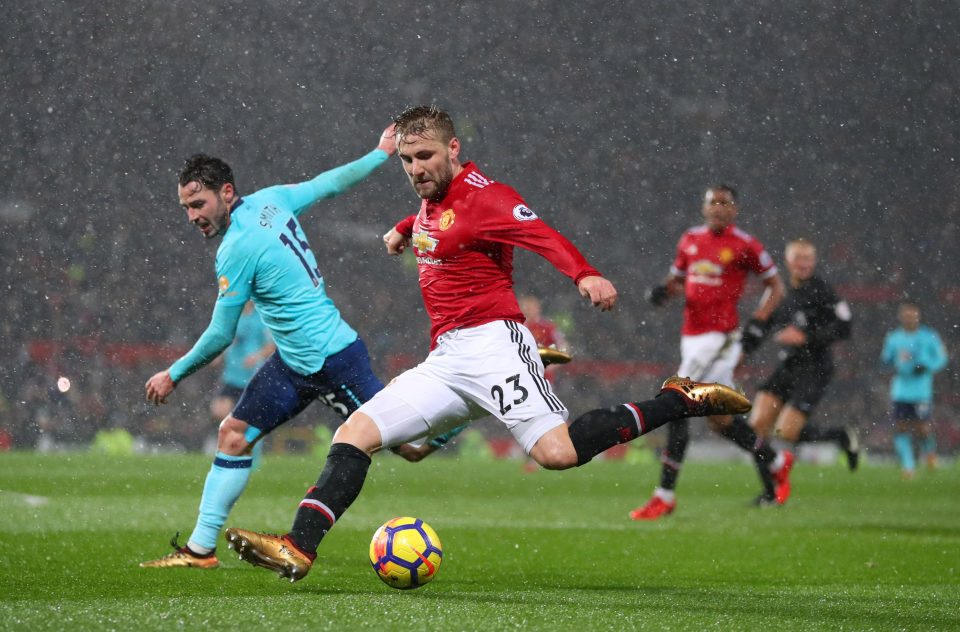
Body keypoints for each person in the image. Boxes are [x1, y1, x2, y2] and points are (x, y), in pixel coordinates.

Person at [224, 105, 750, 582]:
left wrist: (585, 275)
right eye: (406, 160)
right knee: (358, 433)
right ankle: (299, 546)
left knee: (558, 454)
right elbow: (439, 222)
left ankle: (677, 400)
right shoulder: (433, 201)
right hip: (447, 358)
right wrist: (405, 226)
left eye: (425, 156)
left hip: (495, 345)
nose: (415, 169)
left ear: (453, 150)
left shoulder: (488, 197)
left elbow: (541, 233)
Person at [140, 123, 397, 569]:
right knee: (233, 435)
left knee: (409, 444)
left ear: (226, 192)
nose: (192, 216)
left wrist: (173, 374)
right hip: (295, 363)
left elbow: (221, 333)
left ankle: (467, 393)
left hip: (333, 359)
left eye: (198, 204)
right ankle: (200, 549)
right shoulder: (272, 199)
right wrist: (379, 153)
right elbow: (328, 184)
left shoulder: (236, 247)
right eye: (185, 207)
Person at [631, 184, 786, 519]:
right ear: (703, 208)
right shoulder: (689, 240)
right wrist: (663, 292)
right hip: (692, 336)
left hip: (720, 337)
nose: (717, 208)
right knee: (719, 420)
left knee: (674, 401)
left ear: (734, 209)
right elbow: (676, 280)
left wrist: (759, 320)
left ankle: (665, 495)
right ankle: (774, 460)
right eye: (712, 202)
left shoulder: (745, 245)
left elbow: (775, 285)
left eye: (724, 203)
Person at [746, 239, 858, 503]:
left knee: (786, 432)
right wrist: (743, 346)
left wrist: (807, 337)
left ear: (815, 261)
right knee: (757, 427)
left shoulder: (823, 291)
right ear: (788, 261)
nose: (804, 263)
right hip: (789, 366)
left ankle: (839, 436)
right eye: (799, 258)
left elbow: (845, 326)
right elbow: (763, 324)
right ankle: (769, 493)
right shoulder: (780, 292)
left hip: (815, 368)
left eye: (808, 258)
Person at [880, 300, 948, 478]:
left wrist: (927, 366)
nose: (909, 317)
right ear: (900, 316)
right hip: (901, 390)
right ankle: (908, 466)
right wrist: (890, 365)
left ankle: (930, 453)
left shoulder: (929, 336)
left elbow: (941, 358)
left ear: (918, 315)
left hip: (921, 391)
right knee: (901, 427)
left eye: (912, 314)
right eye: (906, 314)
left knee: (922, 428)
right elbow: (885, 360)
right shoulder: (894, 338)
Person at [206, 302, 274, 453]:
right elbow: (224, 340)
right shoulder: (232, 315)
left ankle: (247, 447)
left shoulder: (261, 317)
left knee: (248, 418)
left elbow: (271, 345)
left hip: (252, 376)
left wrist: (256, 357)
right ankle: (235, 440)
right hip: (231, 375)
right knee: (218, 409)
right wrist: (217, 355)